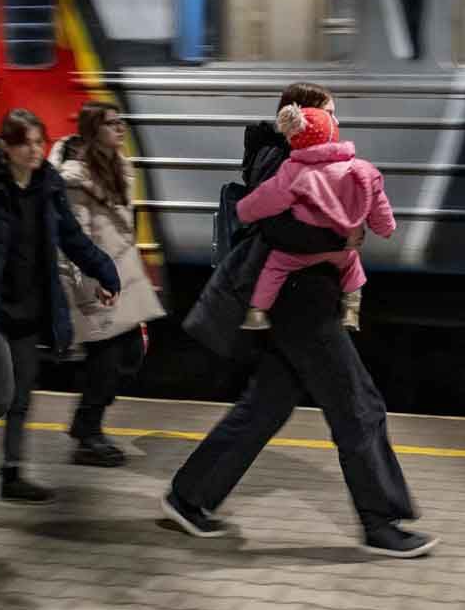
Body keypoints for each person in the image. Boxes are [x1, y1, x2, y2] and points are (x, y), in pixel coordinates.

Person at [162, 82, 438, 558]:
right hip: (299, 299)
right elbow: (278, 229)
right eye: (330, 111)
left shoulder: (309, 159)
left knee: (266, 406)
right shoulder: (281, 159)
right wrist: (341, 241)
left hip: (308, 295)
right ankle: (380, 522)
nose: (337, 118)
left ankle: (189, 497)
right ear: (308, 117)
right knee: (358, 405)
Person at [0, 109, 122, 503]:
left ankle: (10, 475)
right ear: (5, 146)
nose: (34, 151)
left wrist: (106, 272)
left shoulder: (48, 187)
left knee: (21, 398)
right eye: (25, 143)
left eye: (39, 142)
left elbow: (72, 238)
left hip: (30, 309)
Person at [48, 100, 165, 467]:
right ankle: (88, 431)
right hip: (98, 280)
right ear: (92, 130)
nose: (120, 129)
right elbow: (74, 237)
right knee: (108, 359)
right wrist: (87, 285)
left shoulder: (117, 168)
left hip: (122, 276)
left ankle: (88, 426)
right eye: (111, 123)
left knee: (129, 353)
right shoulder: (75, 179)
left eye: (120, 123)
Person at [237, 102, 394, 332]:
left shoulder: (293, 171)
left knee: (274, 267)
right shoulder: (362, 169)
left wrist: (242, 211)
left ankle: (257, 313)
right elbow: (379, 205)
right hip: (342, 247)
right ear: (333, 134)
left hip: (301, 250)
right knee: (353, 267)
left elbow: (265, 198)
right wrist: (385, 228)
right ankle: (351, 311)